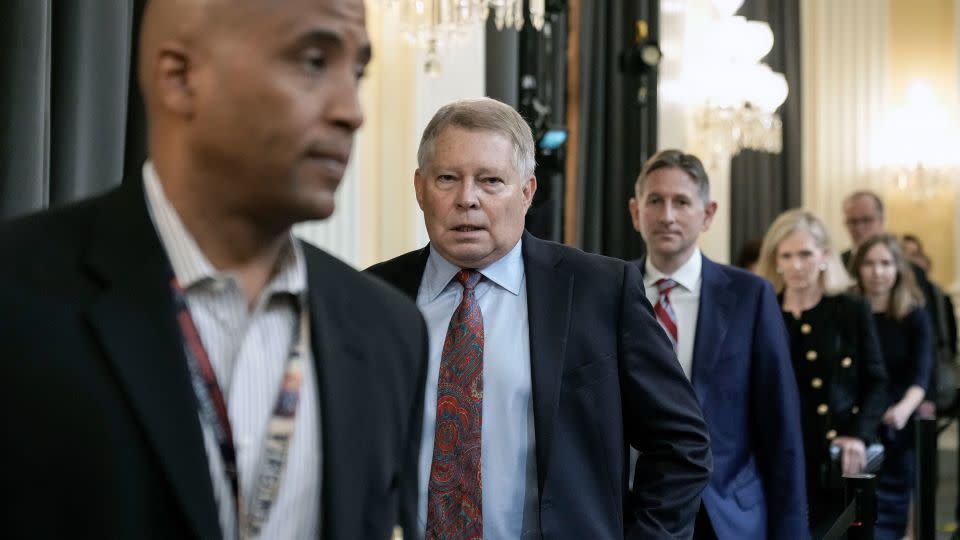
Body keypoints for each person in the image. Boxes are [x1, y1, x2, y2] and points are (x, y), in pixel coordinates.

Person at [0, 0, 428, 538]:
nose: (353, 110)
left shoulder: (389, 332)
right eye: (314, 62)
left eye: (357, 71)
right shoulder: (18, 297)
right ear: (181, 78)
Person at [367, 98, 712, 539]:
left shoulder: (599, 291)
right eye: (447, 178)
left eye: (491, 181)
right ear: (420, 188)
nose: (466, 199)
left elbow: (680, 445)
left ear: (527, 191)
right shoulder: (373, 297)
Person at [628, 149, 807, 540]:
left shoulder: (750, 297)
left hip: (727, 514)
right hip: (635, 514)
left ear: (707, 214)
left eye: (682, 202)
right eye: (655, 201)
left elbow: (781, 426)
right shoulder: (609, 292)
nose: (668, 215)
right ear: (635, 212)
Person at [757, 209, 887, 537]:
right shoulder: (763, 308)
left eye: (805, 254)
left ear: (824, 255)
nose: (797, 265)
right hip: (773, 453)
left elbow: (877, 380)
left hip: (835, 457)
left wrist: (858, 433)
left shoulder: (849, 308)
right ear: (776, 260)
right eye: (786, 255)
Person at [850, 234, 933, 540]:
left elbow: (920, 376)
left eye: (885, 263)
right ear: (858, 269)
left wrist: (902, 410)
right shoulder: (848, 310)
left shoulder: (915, 316)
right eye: (870, 263)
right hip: (858, 420)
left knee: (895, 508)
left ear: (898, 268)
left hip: (898, 420)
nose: (877, 271)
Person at [841, 191, 946, 415]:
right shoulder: (838, 266)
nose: (859, 228)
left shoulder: (913, 273)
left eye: (866, 220)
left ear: (881, 220)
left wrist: (927, 395)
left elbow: (929, 339)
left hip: (904, 396)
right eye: (852, 221)